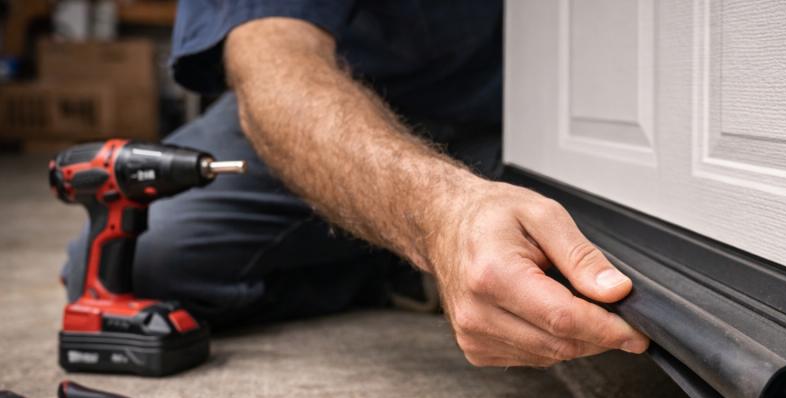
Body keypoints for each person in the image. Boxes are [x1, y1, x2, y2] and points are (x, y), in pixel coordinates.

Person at [64, 1, 649, 367]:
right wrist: (441, 217)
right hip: (329, 108)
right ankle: (402, 259)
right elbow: (273, 65)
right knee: (134, 260)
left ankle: (403, 258)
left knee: (589, 246)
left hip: (517, 118)